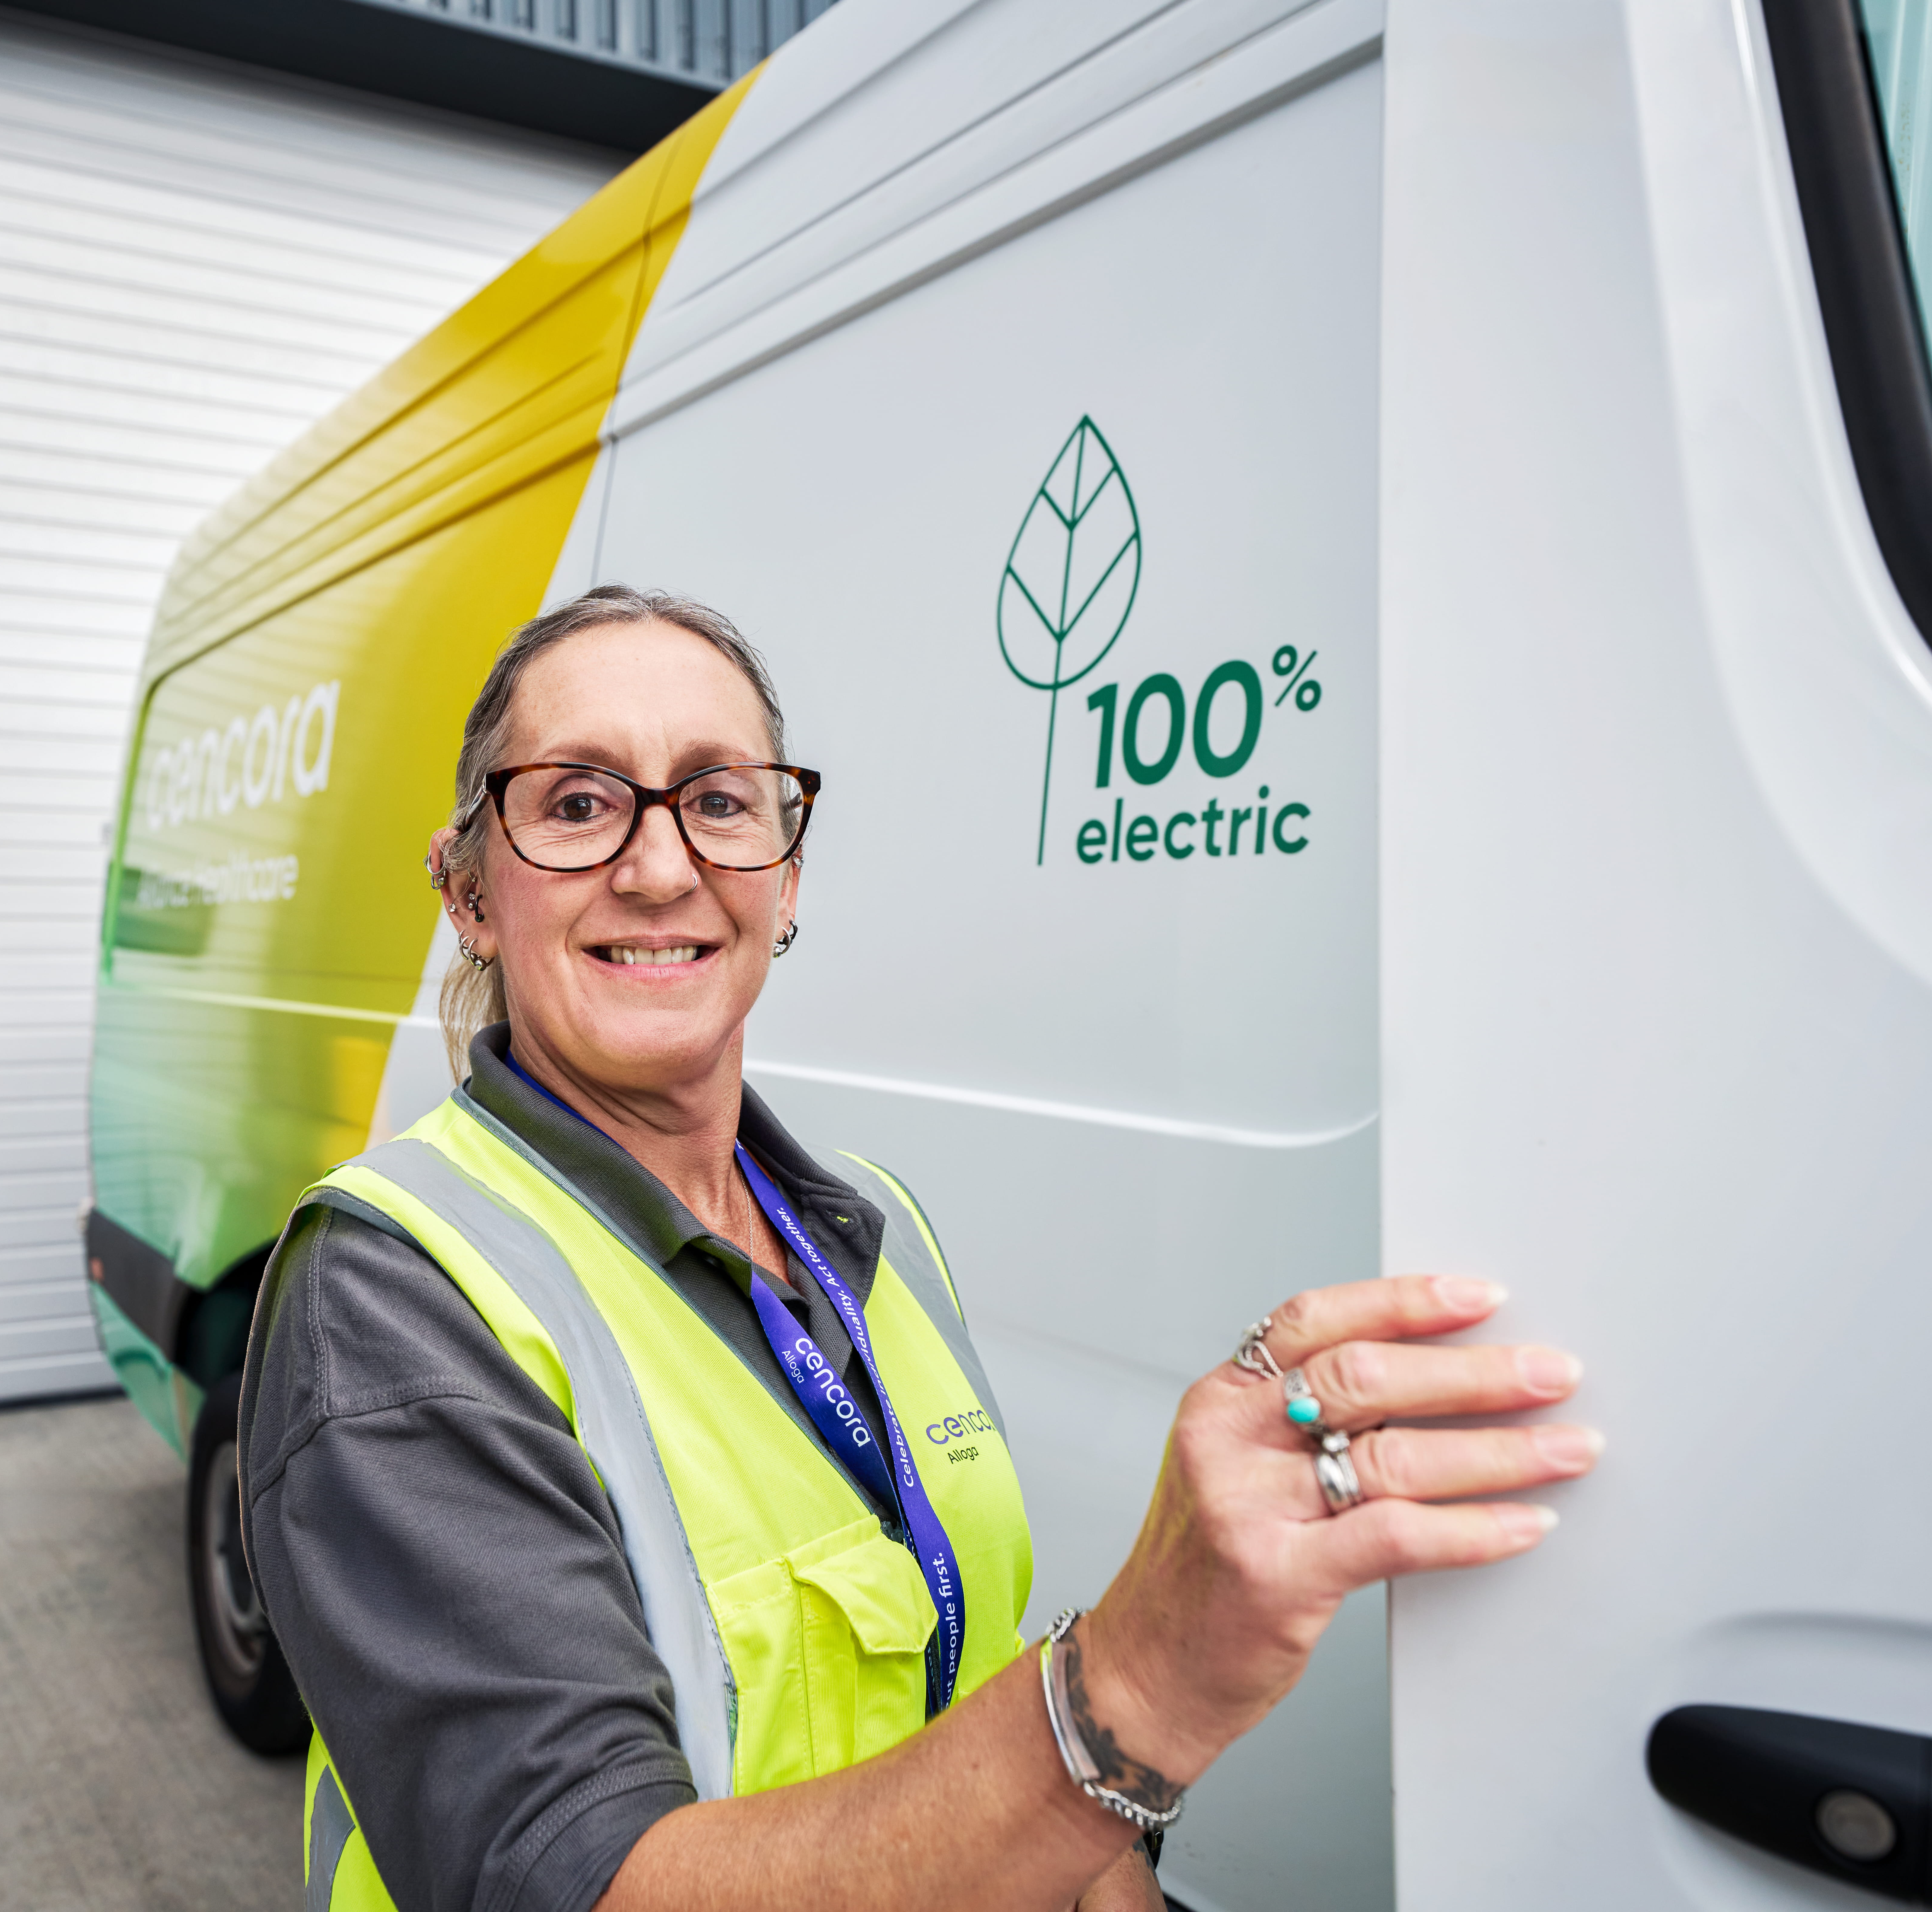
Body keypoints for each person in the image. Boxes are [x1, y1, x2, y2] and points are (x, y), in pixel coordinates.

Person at [236, 585, 1600, 1912]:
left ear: (785, 880)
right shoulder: (392, 1292)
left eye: (720, 801)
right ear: (471, 893)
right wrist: (1130, 1690)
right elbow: (573, 1877)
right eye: (579, 804)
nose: (660, 869)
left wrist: (1100, 1842)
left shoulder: (868, 1223)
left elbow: (967, 1649)